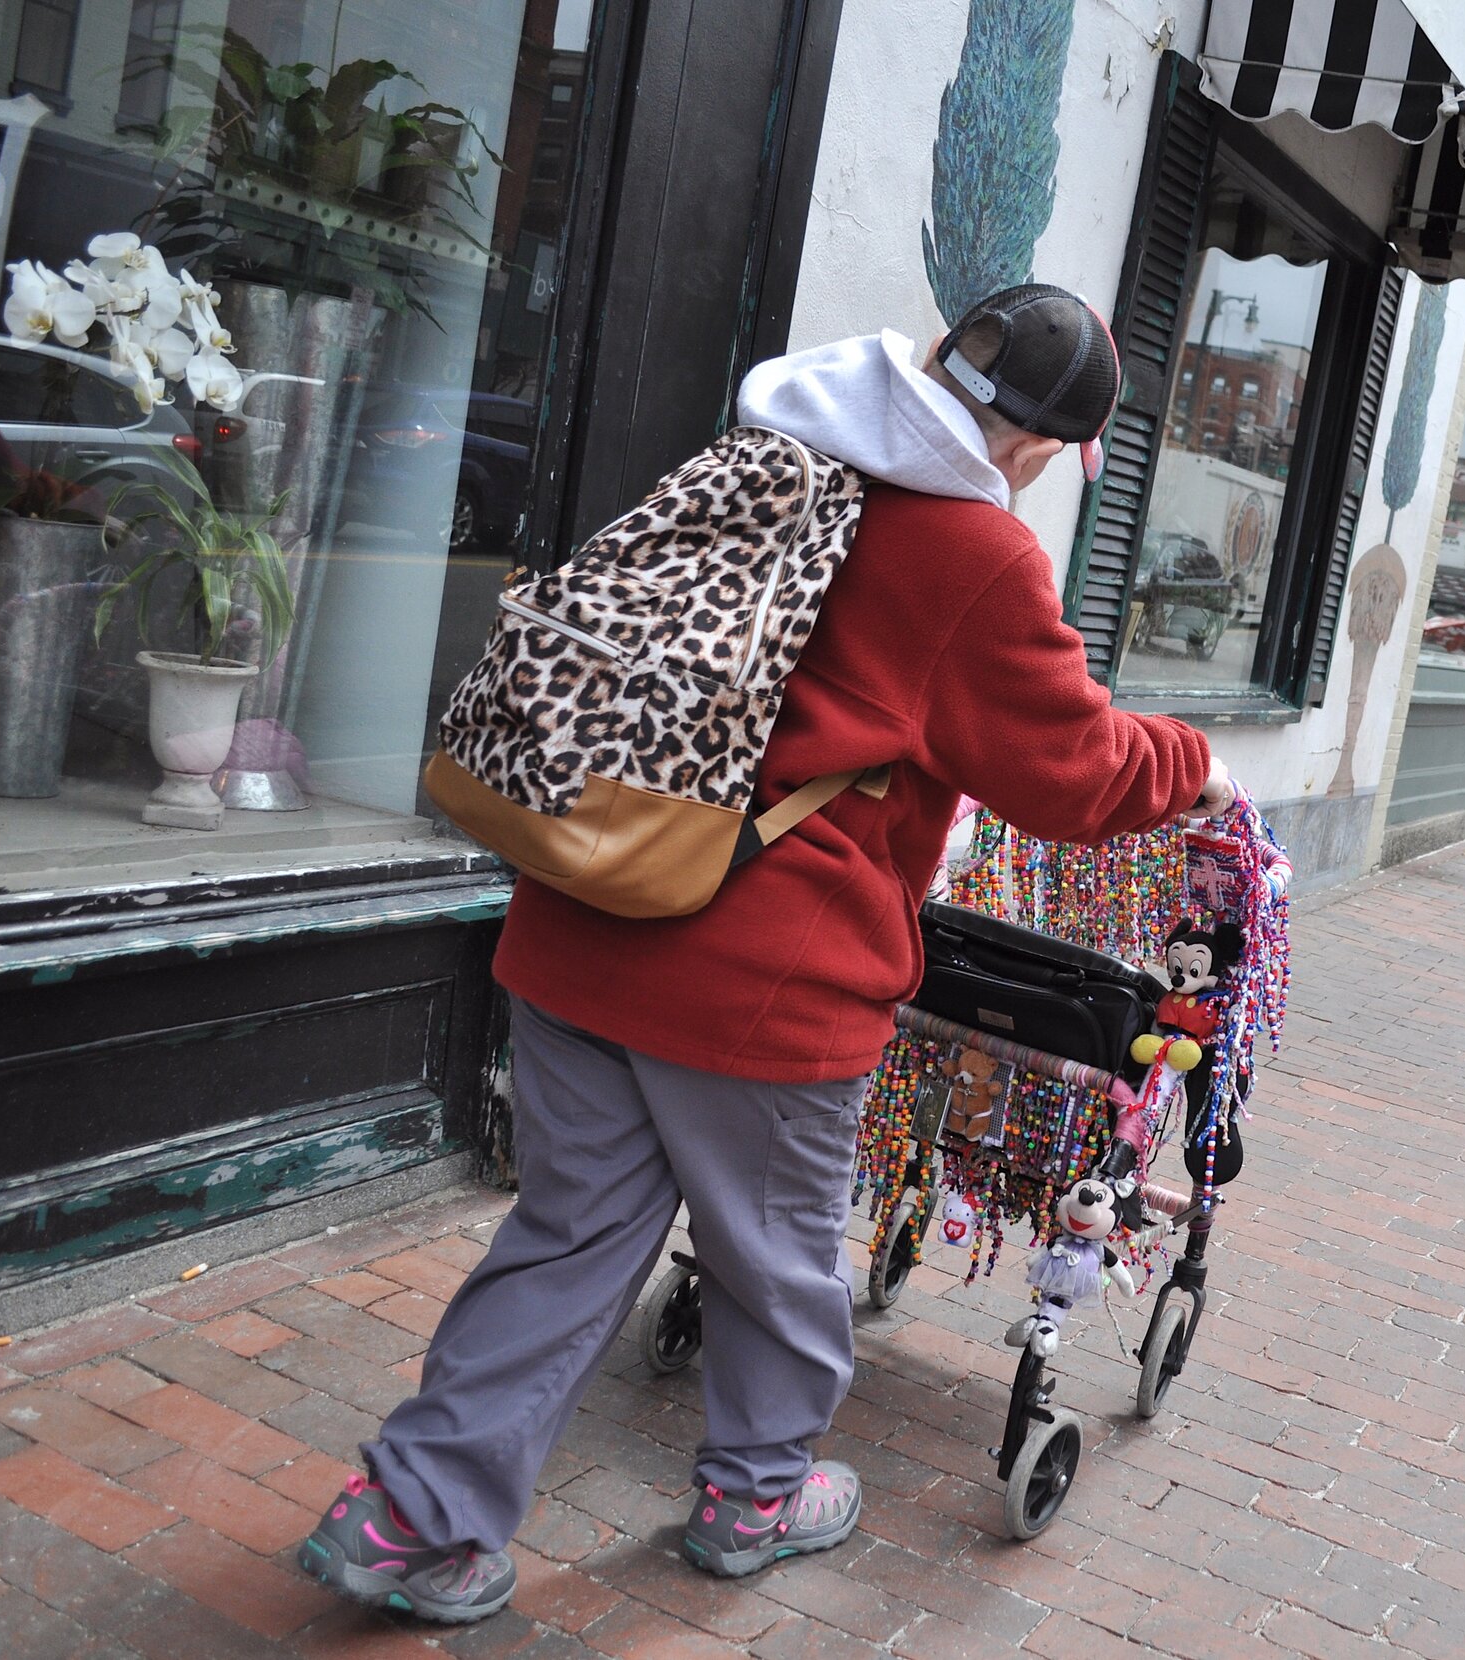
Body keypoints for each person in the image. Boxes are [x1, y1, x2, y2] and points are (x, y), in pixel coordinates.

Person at [297, 286, 1232, 1619]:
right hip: (762, 974)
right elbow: (1069, 770)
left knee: (567, 1235)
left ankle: (412, 1518)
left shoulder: (772, 443)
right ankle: (757, 1492)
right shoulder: (974, 550)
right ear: (1045, 451)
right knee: (780, 1253)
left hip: (586, 907)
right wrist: (1191, 763)